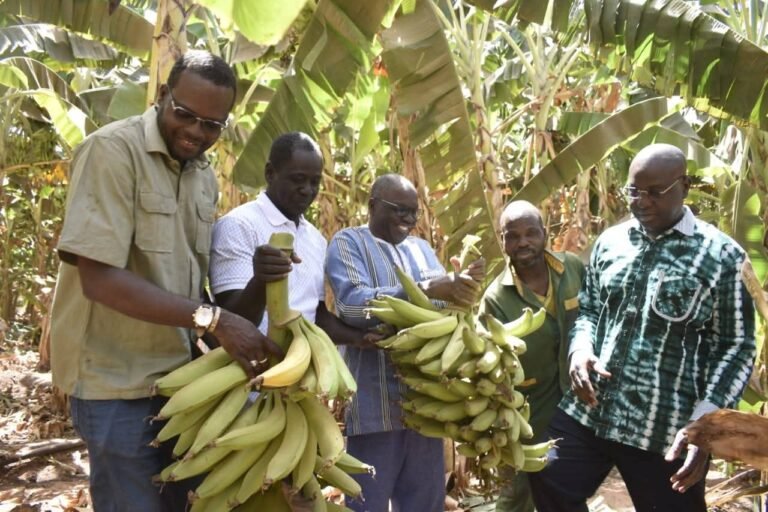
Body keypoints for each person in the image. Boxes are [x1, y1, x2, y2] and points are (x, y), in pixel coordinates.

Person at [49, 51, 281, 512]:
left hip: (178, 384)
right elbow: (99, 279)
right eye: (185, 115)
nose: (196, 132)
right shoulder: (112, 151)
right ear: (161, 96)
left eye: (212, 125)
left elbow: (186, 284)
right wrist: (213, 319)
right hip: (115, 384)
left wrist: (247, 303)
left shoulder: (202, 178)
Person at [528, 143, 757, 511]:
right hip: (593, 410)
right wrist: (580, 350)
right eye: (634, 190)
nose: (641, 202)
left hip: (664, 428)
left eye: (654, 192)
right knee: (546, 471)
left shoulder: (721, 257)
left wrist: (705, 426)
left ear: (684, 186)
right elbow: (589, 311)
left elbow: (737, 345)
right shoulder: (611, 242)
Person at [325, 173, 485, 512]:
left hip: (427, 405)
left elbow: (445, 310)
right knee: (366, 503)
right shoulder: (348, 243)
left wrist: (463, 286)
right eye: (400, 211)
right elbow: (353, 306)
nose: (409, 220)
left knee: (424, 504)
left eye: (414, 213)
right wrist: (427, 291)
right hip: (375, 405)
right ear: (372, 205)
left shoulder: (422, 250)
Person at [209, 131, 378, 359]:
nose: (307, 190)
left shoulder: (315, 239)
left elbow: (315, 315)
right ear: (270, 173)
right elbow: (232, 320)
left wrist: (360, 338)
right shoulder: (239, 225)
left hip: (301, 371)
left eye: (315, 182)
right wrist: (261, 280)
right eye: (298, 179)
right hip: (253, 373)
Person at [478, 201, 584, 512]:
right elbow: (487, 360)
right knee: (517, 495)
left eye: (531, 233)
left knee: (568, 491)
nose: (523, 242)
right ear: (502, 240)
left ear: (545, 233)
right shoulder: (496, 298)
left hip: (579, 404)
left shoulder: (573, 269)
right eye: (513, 236)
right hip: (527, 412)